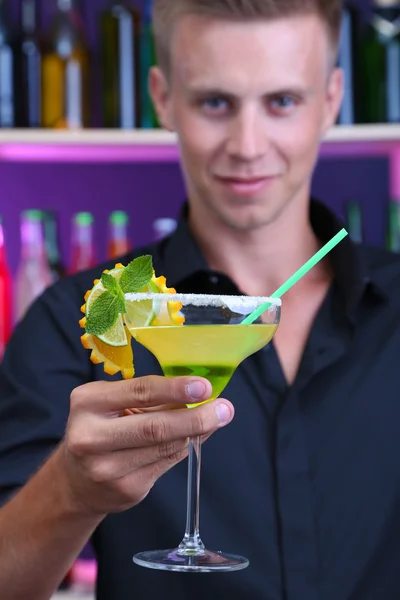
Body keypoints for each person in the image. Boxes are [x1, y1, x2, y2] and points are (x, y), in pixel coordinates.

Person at [1, 0, 400, 598]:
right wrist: (70, 490)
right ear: (163, 98)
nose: (246, 145)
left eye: (281, 102)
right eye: (216, 102)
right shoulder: (78, 317)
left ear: (331, 99)